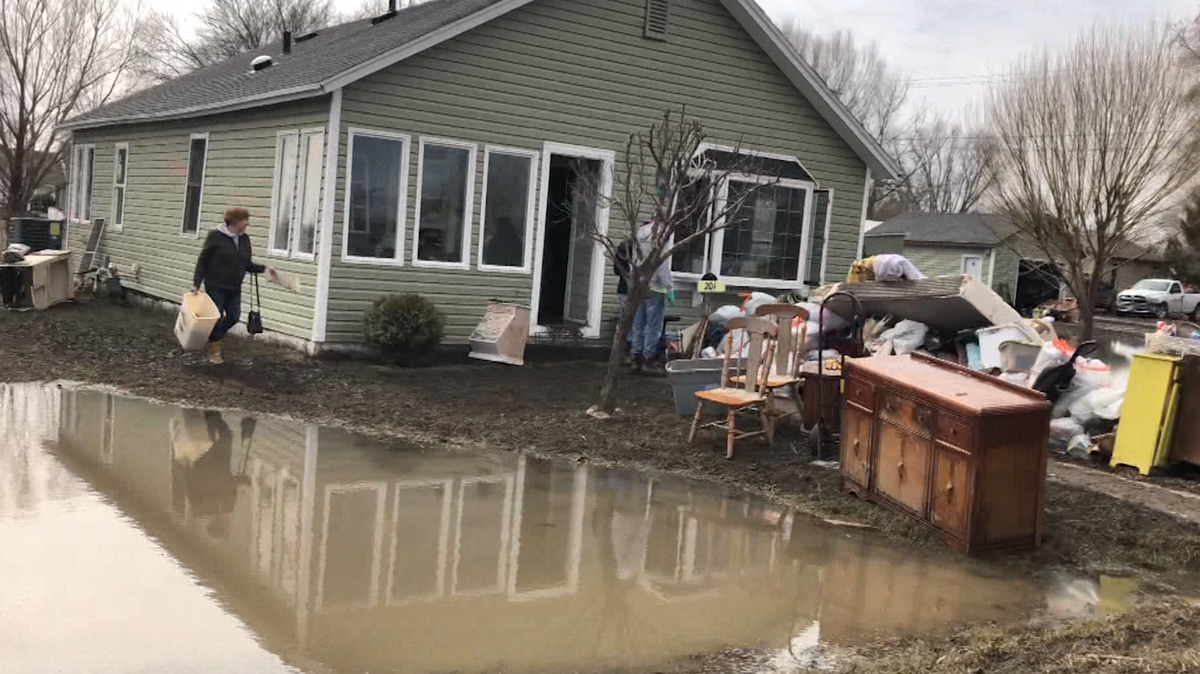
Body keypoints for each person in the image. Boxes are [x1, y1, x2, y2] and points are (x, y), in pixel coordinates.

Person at [192, 207, 274, 364]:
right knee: (216, 316)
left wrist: (264, 268)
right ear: (236, 222)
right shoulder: (215, 237)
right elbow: (203, 261)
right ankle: (214, 349)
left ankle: (212, 339)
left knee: (234, 317)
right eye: (245, 220)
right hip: (215, 284)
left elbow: (246, 264)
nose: (247, 223)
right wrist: (196, 283)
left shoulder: (244, 240)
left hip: (234, 286)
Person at [629, 219, 674, 375]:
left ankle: (635, 358)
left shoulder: (639, 236)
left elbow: (633, 263)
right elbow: (661, 266)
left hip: (638, 286)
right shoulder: (659, 239)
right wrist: (669, 287)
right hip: (655, 288)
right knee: (653, 326)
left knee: (638, 324)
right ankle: (648, 360)